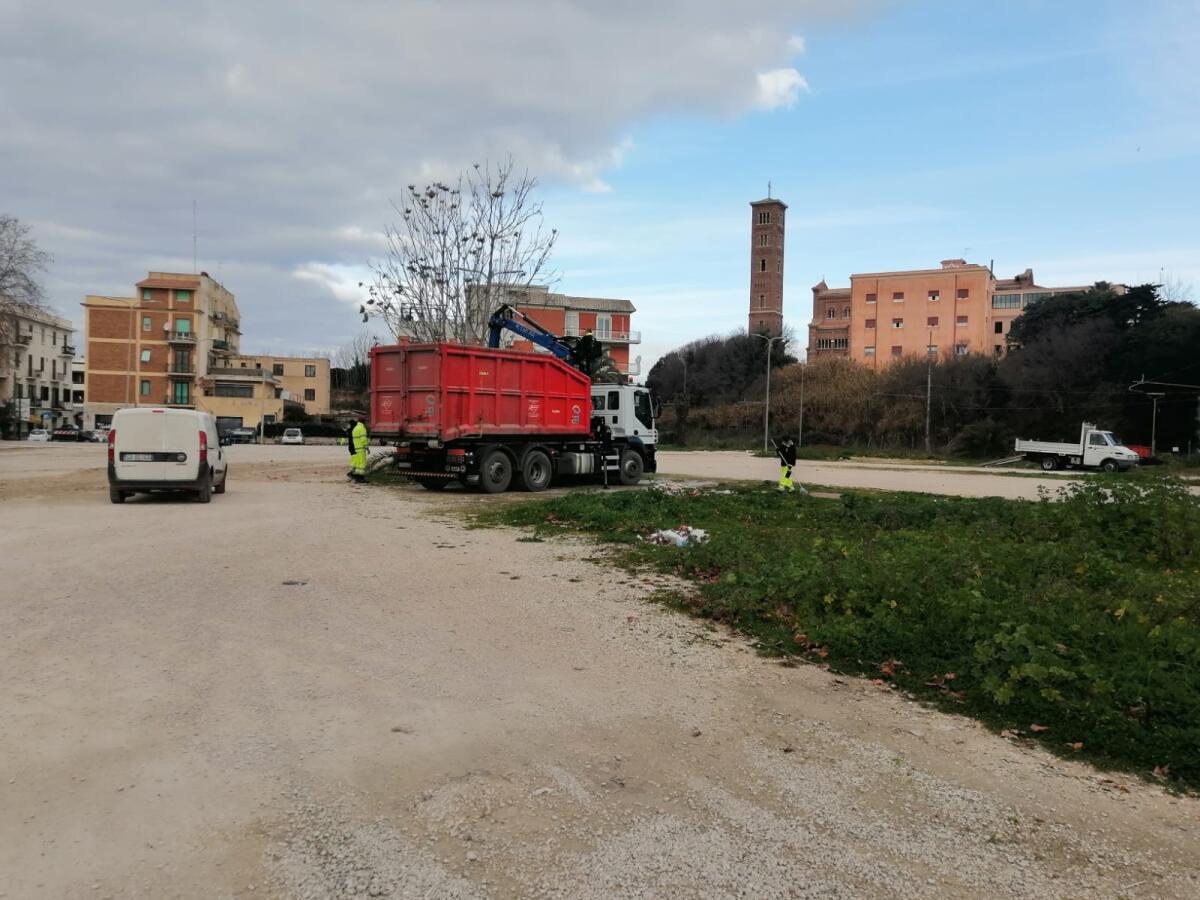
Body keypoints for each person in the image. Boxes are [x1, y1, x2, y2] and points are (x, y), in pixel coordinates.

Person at [348, 417, 369, 483]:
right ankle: (361, 478)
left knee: (358, 463)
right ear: (363, 422)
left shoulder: (355, 428)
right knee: (362, 463)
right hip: (361, 448)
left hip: (356, 448)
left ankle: (357, 477)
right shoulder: (362, 428)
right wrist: (367, 447)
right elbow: (363, 439)